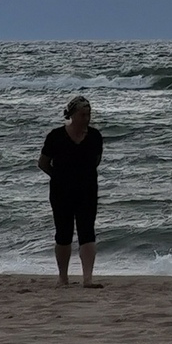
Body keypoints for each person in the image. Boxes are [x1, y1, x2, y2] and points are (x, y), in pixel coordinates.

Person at [38, 95, 104, 287]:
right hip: (61, 192)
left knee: (87, 232)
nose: (87, 118)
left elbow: (96, 161)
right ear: (73, 115)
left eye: (89, 114)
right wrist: (58, 177)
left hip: (87, 191)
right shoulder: (56, 136)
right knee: (63, 233)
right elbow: (43, 163)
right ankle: (63, 278)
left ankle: (88, 279)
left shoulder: (94, 136)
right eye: (83, 114)